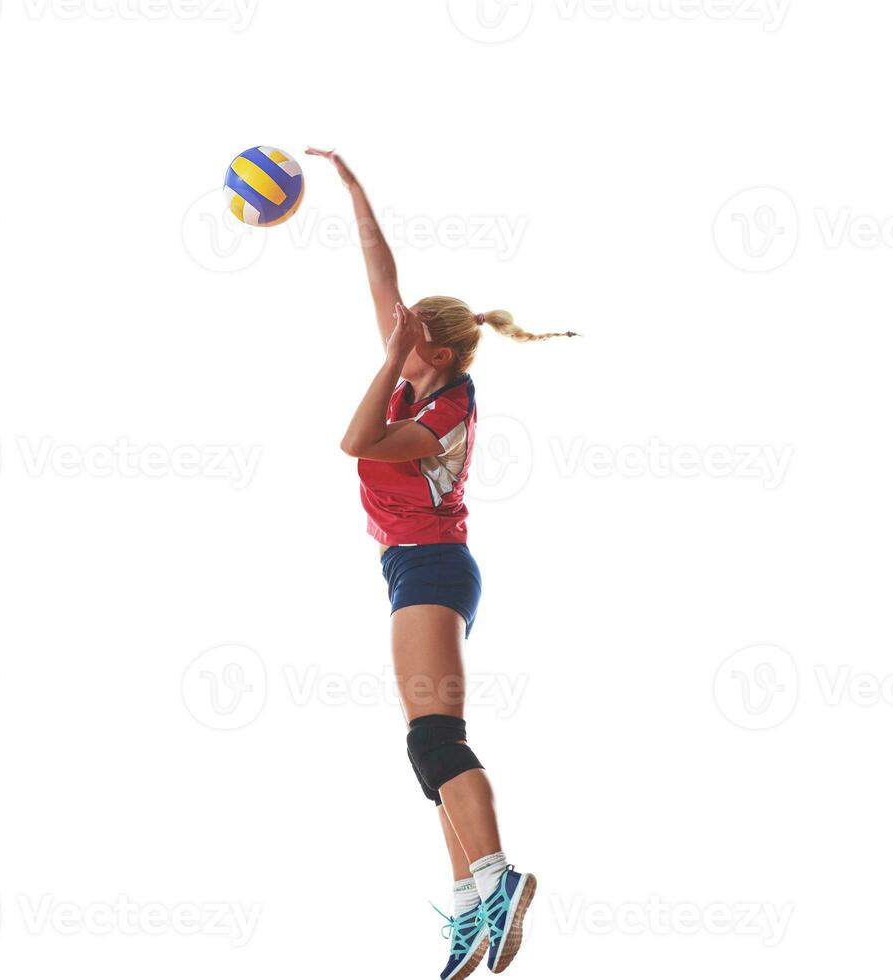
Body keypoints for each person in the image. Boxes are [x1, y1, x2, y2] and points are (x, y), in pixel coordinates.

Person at [309, 147, 575, 977]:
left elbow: (353, 445)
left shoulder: (443, 403)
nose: (395, 326)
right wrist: (355, 194)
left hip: (431, 565)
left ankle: (498, 880)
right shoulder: (419, 373)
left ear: (439, 350)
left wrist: (390, 356)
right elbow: (378, 272)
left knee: (435, 739)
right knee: (426, 744)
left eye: (409, 328)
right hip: (413, 569)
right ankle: (467, 903)